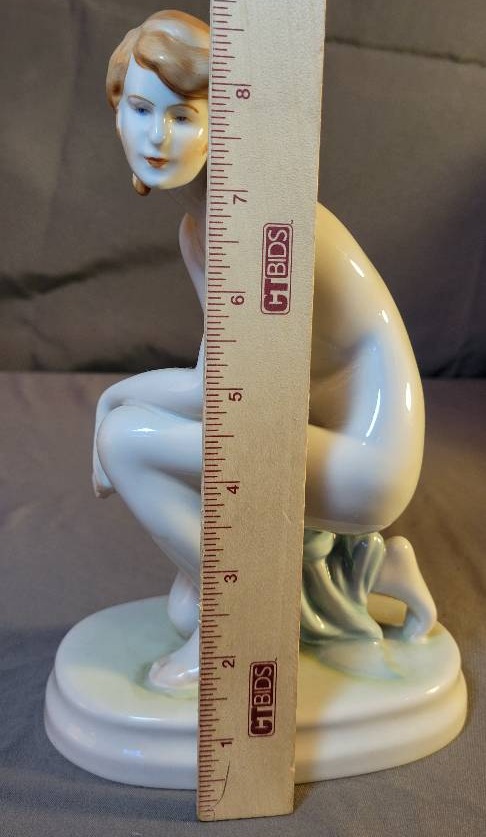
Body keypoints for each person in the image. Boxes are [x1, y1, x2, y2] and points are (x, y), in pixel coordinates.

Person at [94, 10, 435, 692]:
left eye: (183, 117)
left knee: (126, 441)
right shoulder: (201, 228)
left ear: (226, 124)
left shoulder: (264, 226)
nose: (155, 137)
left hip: (367, 455)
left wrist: (112, 400)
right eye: (140, 109)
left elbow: (220, 393)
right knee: (178, 601)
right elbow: (223, 384)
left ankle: (244, 615)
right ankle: (362, 574)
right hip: (308, 428)